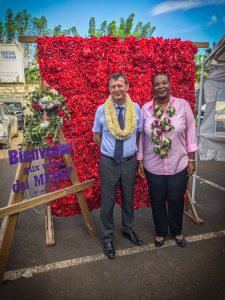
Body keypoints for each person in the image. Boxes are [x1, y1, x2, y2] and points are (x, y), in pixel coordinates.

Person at [137, 72, 197, 248]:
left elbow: (190, 132)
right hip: (152, 163)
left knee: (176, 198)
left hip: (178, 162)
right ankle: (161, 231)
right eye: (157, 84)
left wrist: (192, 160)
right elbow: (141, 136)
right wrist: (140, 160)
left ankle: (177, 231)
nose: (161, 86)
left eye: (164, 83)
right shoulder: (145, 109)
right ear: (153, 87)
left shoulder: (182, 105)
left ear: (170, 85)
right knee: (157, 199)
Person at [93, 73, 144, 259]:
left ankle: (128, 230)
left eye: (120, 85)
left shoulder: (136, 108)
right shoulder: (101, 110)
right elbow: (96, 136)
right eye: (113, 86)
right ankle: (107, 237)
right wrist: (111, 151)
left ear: (127, 87)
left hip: (129, 162)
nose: (117, 89)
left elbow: (138, 134)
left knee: (128, 198)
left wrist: (129, 152)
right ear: (109, 89)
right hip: (109, 162)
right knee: (107, 201)